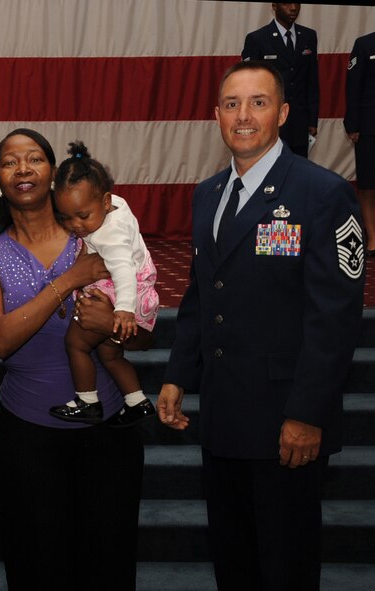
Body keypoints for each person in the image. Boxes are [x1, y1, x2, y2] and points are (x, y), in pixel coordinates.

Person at [158, 61, 365, 591]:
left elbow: (334, 318)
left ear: (284, 113)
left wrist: (307, 414)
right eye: (231, 104)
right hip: (224, 415)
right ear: (217, 116)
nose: (243, 116)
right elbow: (204, 293)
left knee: (285, 566)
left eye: (258, 102)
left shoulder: (322, 192)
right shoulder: (207, 194)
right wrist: (179, 374)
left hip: (285, 422)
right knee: (235, 561)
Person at [0, 128, 144, 589]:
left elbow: (143, 336)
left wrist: (117, 321)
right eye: (10, 162)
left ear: (54, 174)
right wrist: (69, 280)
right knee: (36, 567)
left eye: (34, 158)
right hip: (27, 438)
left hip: (109, 435)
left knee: (108, 565)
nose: (23, 168)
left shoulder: (100, 234)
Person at [48, 141, 158, 427]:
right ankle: (137, 401)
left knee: (75, 344)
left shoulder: (110, 235)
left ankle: (87, 401)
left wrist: (122, 310)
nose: (76, 225)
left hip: (123, 294)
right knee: (110, 353)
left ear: (106, 202)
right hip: (140, 289)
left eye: (83, 216)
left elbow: (122, 268)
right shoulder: (116, 204)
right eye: (66, 217)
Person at [242, 3, 319, 158]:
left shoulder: (308, 36)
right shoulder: (257, 38)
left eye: (297, 3)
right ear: (275, 6)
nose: (293, 8)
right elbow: (249, 85)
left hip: (299, 122)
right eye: (287, 3)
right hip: (269, 121)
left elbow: (312, 81)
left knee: (298, 172)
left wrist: (312, 120)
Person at [344, 32, 375, 254]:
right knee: (368, 183)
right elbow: (353, 85)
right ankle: (373, 237)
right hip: (369, 125)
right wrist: (353, 124)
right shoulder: (364, 44)